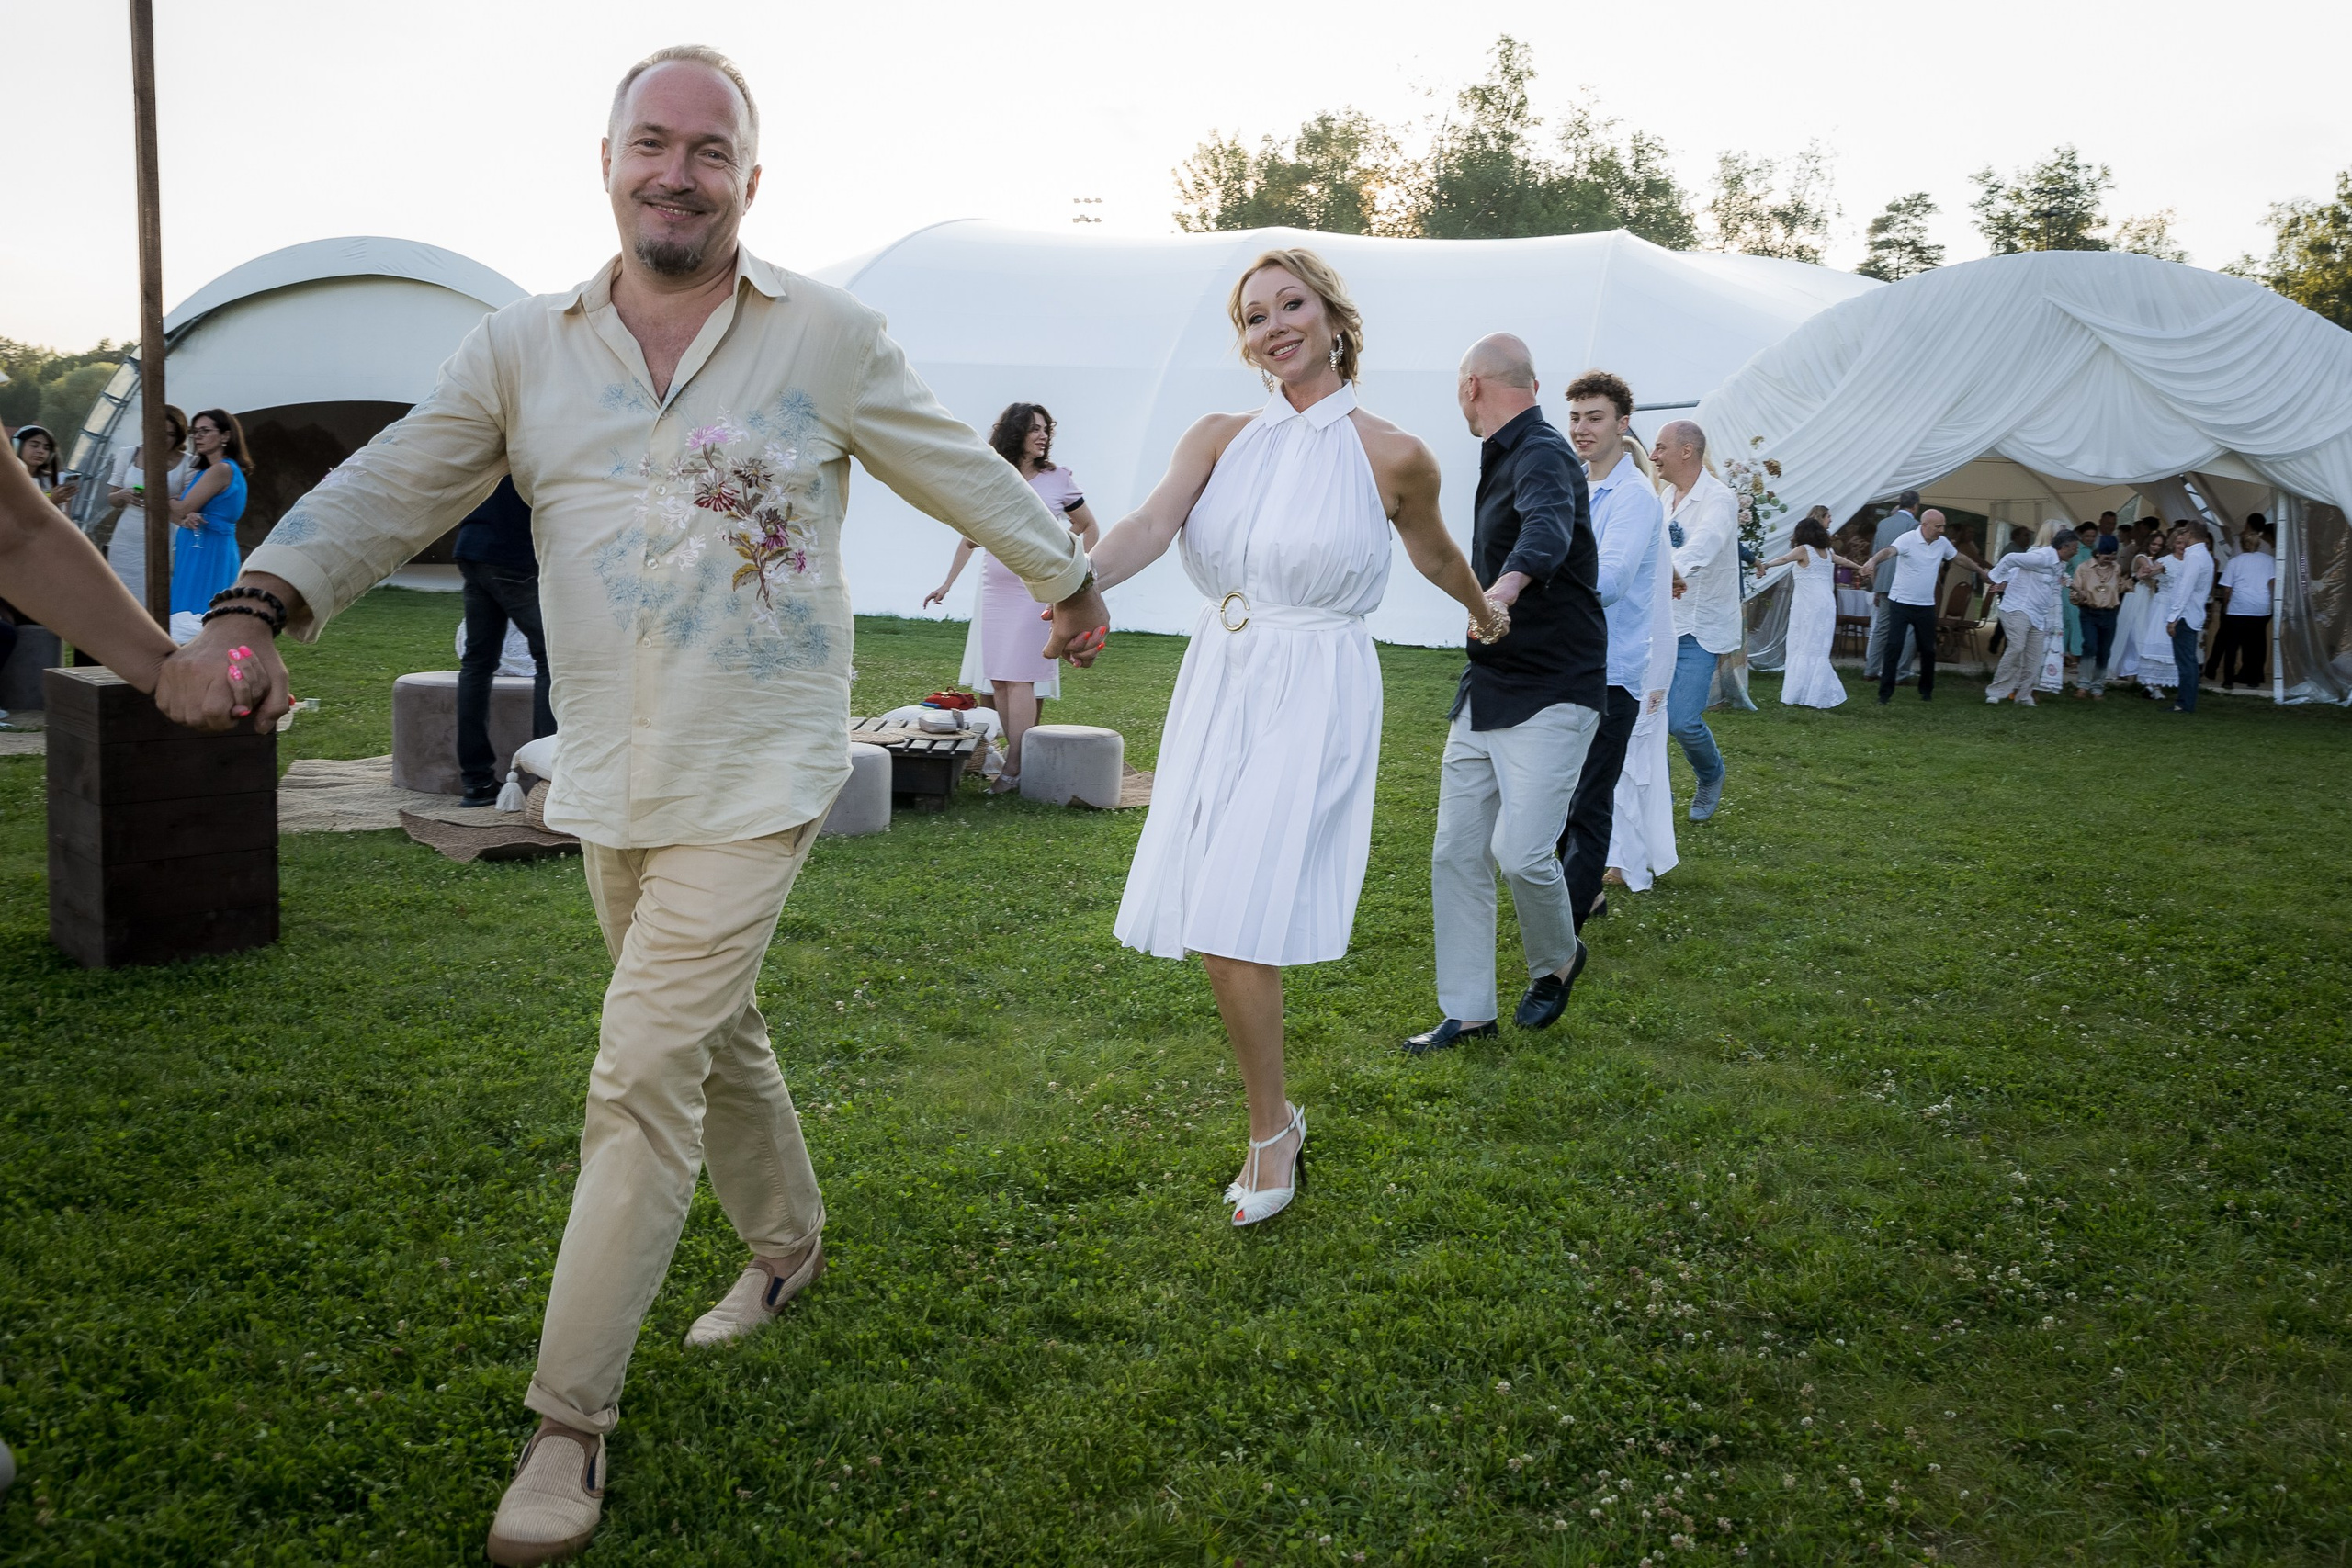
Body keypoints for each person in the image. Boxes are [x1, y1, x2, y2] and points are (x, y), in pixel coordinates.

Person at [152, 47, 1110, 1565]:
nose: (679, 170)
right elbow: (397, 483)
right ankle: (788, 1248)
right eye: (652, 144)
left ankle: (567, 1423)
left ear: (749, 177)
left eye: (710, 149)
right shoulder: (522, 349)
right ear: (607, 161)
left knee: (640, 1070)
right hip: (609, 766)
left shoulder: (833, 337)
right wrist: (262, 596)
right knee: (711, 1031)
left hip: (762, 763)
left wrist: (1064, 579)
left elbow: (951, 467)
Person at [1092, 247, 1499, 1225]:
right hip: (1219, 676)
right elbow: (1151, 523)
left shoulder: (1393, 453)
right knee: (1217, 917)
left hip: (1316, 684)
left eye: (1290, 305)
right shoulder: (1217, 435)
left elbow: (1436, 551)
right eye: (1252, 316)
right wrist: (1078, 581)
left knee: (1233, 917)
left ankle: (1271, 1133)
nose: (1272, 326)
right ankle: (1276, 1122)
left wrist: (1483, 612)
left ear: (1331, 316)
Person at [1404, 336, 1606, 1055]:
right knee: (1457, 851)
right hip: (1487, 685)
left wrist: (1504, 589)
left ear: (1471, 386)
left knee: (1521, 851)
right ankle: (1468, 1010)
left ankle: (1559, 956)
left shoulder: (1545, 452)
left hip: (1555, 688)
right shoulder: (1501, 456)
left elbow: (1549, 529)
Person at [923, 402, 1100, 787]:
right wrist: (948, 583)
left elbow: (1088, 527)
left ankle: (1015, 767)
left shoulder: (1058, 479)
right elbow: (971, 537)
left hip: (1036, 591)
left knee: (1019, 677)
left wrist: (1073, 570)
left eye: (1046, 429)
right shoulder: (996, 477)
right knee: (1001, 679)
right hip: (995, 590)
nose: (1043, 436)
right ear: (1015, 433)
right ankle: (1023, 760)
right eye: (1034, 428)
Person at [1554, 368, 1659, 931]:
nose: (1581, 428)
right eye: (1574, 417)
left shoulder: (1635, 497)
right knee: (1563, 792)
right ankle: (1585, 893)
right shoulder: (1579, 483)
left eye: (1594, 418)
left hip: (1611, 669)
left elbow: (1611, 580)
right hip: (1566, 662)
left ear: (1623, 424)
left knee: (1590, 798)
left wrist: (1540, 580)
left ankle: (1565, 927)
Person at [0, 400, 176, 688]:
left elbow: (43, 529)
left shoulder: (50, 481)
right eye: (34, 444)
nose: (40, 451)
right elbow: (21, 526)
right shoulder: (20, 479)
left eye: (45, 446)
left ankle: (98, 675)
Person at [1603, 434, 1679, 897]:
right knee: (1617, 758)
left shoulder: (1639, 509)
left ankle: (1626, 860)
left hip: (1642, 649)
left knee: (1634, 756)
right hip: (1618, 647)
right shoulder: (1623, 515)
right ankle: (1612, 851)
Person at [454, 477, 554, 807]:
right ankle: (548, 781)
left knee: (477, 664)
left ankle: (476, 783)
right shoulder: (536, 437)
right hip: (511, 548)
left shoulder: (492, 434)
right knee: (551, 658)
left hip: (472, 544)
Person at [1657, 421, 1738, 820]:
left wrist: (1672, 570)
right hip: (1658, 626)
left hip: (1699, 628)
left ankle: (1711, 775)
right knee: (1646, 720)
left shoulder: (1720, 499)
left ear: (1686, 451)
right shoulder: (1663, 497)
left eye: (1660, 447)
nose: (1653, 455)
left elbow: (1707, 541)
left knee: (1681, 720)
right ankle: (1653, 800)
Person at [1858, 507, 1986, 704]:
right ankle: (1885, 694)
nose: (1942, 530)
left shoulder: (1941, 543)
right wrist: (1873, 561)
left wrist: (1980, 571)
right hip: (1900, 603)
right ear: (1924, 525)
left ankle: (1926, 692)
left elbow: (1958, 558)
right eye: (1938, 526)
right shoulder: (1908, 539)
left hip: (1926, 606)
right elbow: (1888, 551)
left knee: (1928, 650)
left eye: (1943, 526)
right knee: (1894, 647)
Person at [166, 408, 252, 617]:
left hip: (207, 550)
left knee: (198, 612)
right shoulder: (209, 471)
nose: (198, 437)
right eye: (195, 432)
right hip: (200, 546)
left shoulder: (221, 470)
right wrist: (184, 516)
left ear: (226, 436)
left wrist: (165, 498)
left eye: (205, 431)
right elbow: (180, 515)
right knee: (192, 612)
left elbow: (183, 507)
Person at [1758, 510, 1846, 709]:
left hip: (1807, 605)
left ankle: (1800, 691)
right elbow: (1844, 562)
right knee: (1818, 647)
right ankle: (1814, 692)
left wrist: (1765, 565)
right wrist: (1861, 567)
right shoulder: (1828, 553)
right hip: (1826, 603)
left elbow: (1783, 559)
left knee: (1801, 644)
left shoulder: (1804, 550)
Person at [103, 402, 188, 606]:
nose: (162, 438)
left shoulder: (188, 463)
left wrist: (161, 500)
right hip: (128, 534)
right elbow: (112, 499)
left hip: (165, 533)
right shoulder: (128, 454)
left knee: (159, 595)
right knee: (123, 595)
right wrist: (124, 494)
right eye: (158, 431)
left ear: (178, 436)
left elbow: (187, 506)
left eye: (170, 434)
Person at [1984, 524, 2076, 705]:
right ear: (2063, 547)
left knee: (2034, 656)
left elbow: (2057, 578)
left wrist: (2075, 588)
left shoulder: (2060, 563)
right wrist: (1997, 578)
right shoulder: (2040, 557)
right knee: (2017, 647)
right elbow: (2011, 559)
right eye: (2074, 548)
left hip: (2038, 613)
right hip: (2018, 607)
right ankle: (1995, 692)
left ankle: (2023, 695)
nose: (2076, 551)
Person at [2205, 521, 2274, 689]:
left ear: (2242, 545)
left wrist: (2227, 606)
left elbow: (2228, 589)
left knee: (2232, 644)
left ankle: (2228, 679)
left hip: (2239, 606)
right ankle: (2253, 678)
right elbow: (2273, 583)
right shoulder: (2269, 560)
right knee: (2255, 646)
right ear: (2258, 544)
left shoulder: (2235, 562)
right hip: (2261, 607)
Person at [1862, 490, 1920, 687]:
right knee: (1910, 629)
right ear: (1915, 506)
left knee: (1881, 628)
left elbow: (1875, 557)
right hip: (1906, 585)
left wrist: (1877, 586)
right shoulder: (1915, 526)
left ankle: (1871, 669)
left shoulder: (1883, 524)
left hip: (1884, 582)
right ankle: (1900, 673)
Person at [2124, 526, 2186, 698]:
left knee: (2170, 648)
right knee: (2156, 643)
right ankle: (2151, 684)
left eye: (2185, 543)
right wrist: (2142, 574)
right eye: (2179, 542)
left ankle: (2158, 684)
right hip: (2162, 606)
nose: (2182, 546)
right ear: (2173, 544)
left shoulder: (2190, 561)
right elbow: (2150, 571)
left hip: (2179, 607)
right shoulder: (2166, 561)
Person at [2163, 520, 2217, 714]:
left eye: (2184, 533)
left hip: (2186, 614)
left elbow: (2184, 589)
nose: (2182, 536)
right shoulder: (2205, 556)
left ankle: (2184, 703)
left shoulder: (2194, 557)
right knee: (2190, 661)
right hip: (2194, 613)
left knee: (2185, 662)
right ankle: (2187, 701)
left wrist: (2173, 617)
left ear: (2190, 534)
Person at [2069, 534, 2124, 698]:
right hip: (2089, 613)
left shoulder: (2116, 569)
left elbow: (2120, 587)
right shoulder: (2084, 568)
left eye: (2114, 554)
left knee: (2104, 650)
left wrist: (2135, 580)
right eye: (2107, 554)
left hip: (2109, 613)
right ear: (2098, 552)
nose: (2110, 558)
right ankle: (2083, 684)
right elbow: (2074, 593)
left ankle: (2097, 686)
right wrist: (2081, 596)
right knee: (2090, 645)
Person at [11, 425, 76, 511]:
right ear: (17, 446)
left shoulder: (47, 479)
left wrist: (57, 494)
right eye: (34, 445)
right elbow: (15, 511)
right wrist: (50, 500)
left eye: (46, 448)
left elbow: (44, 494)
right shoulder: (8, 479)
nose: (41, 451)